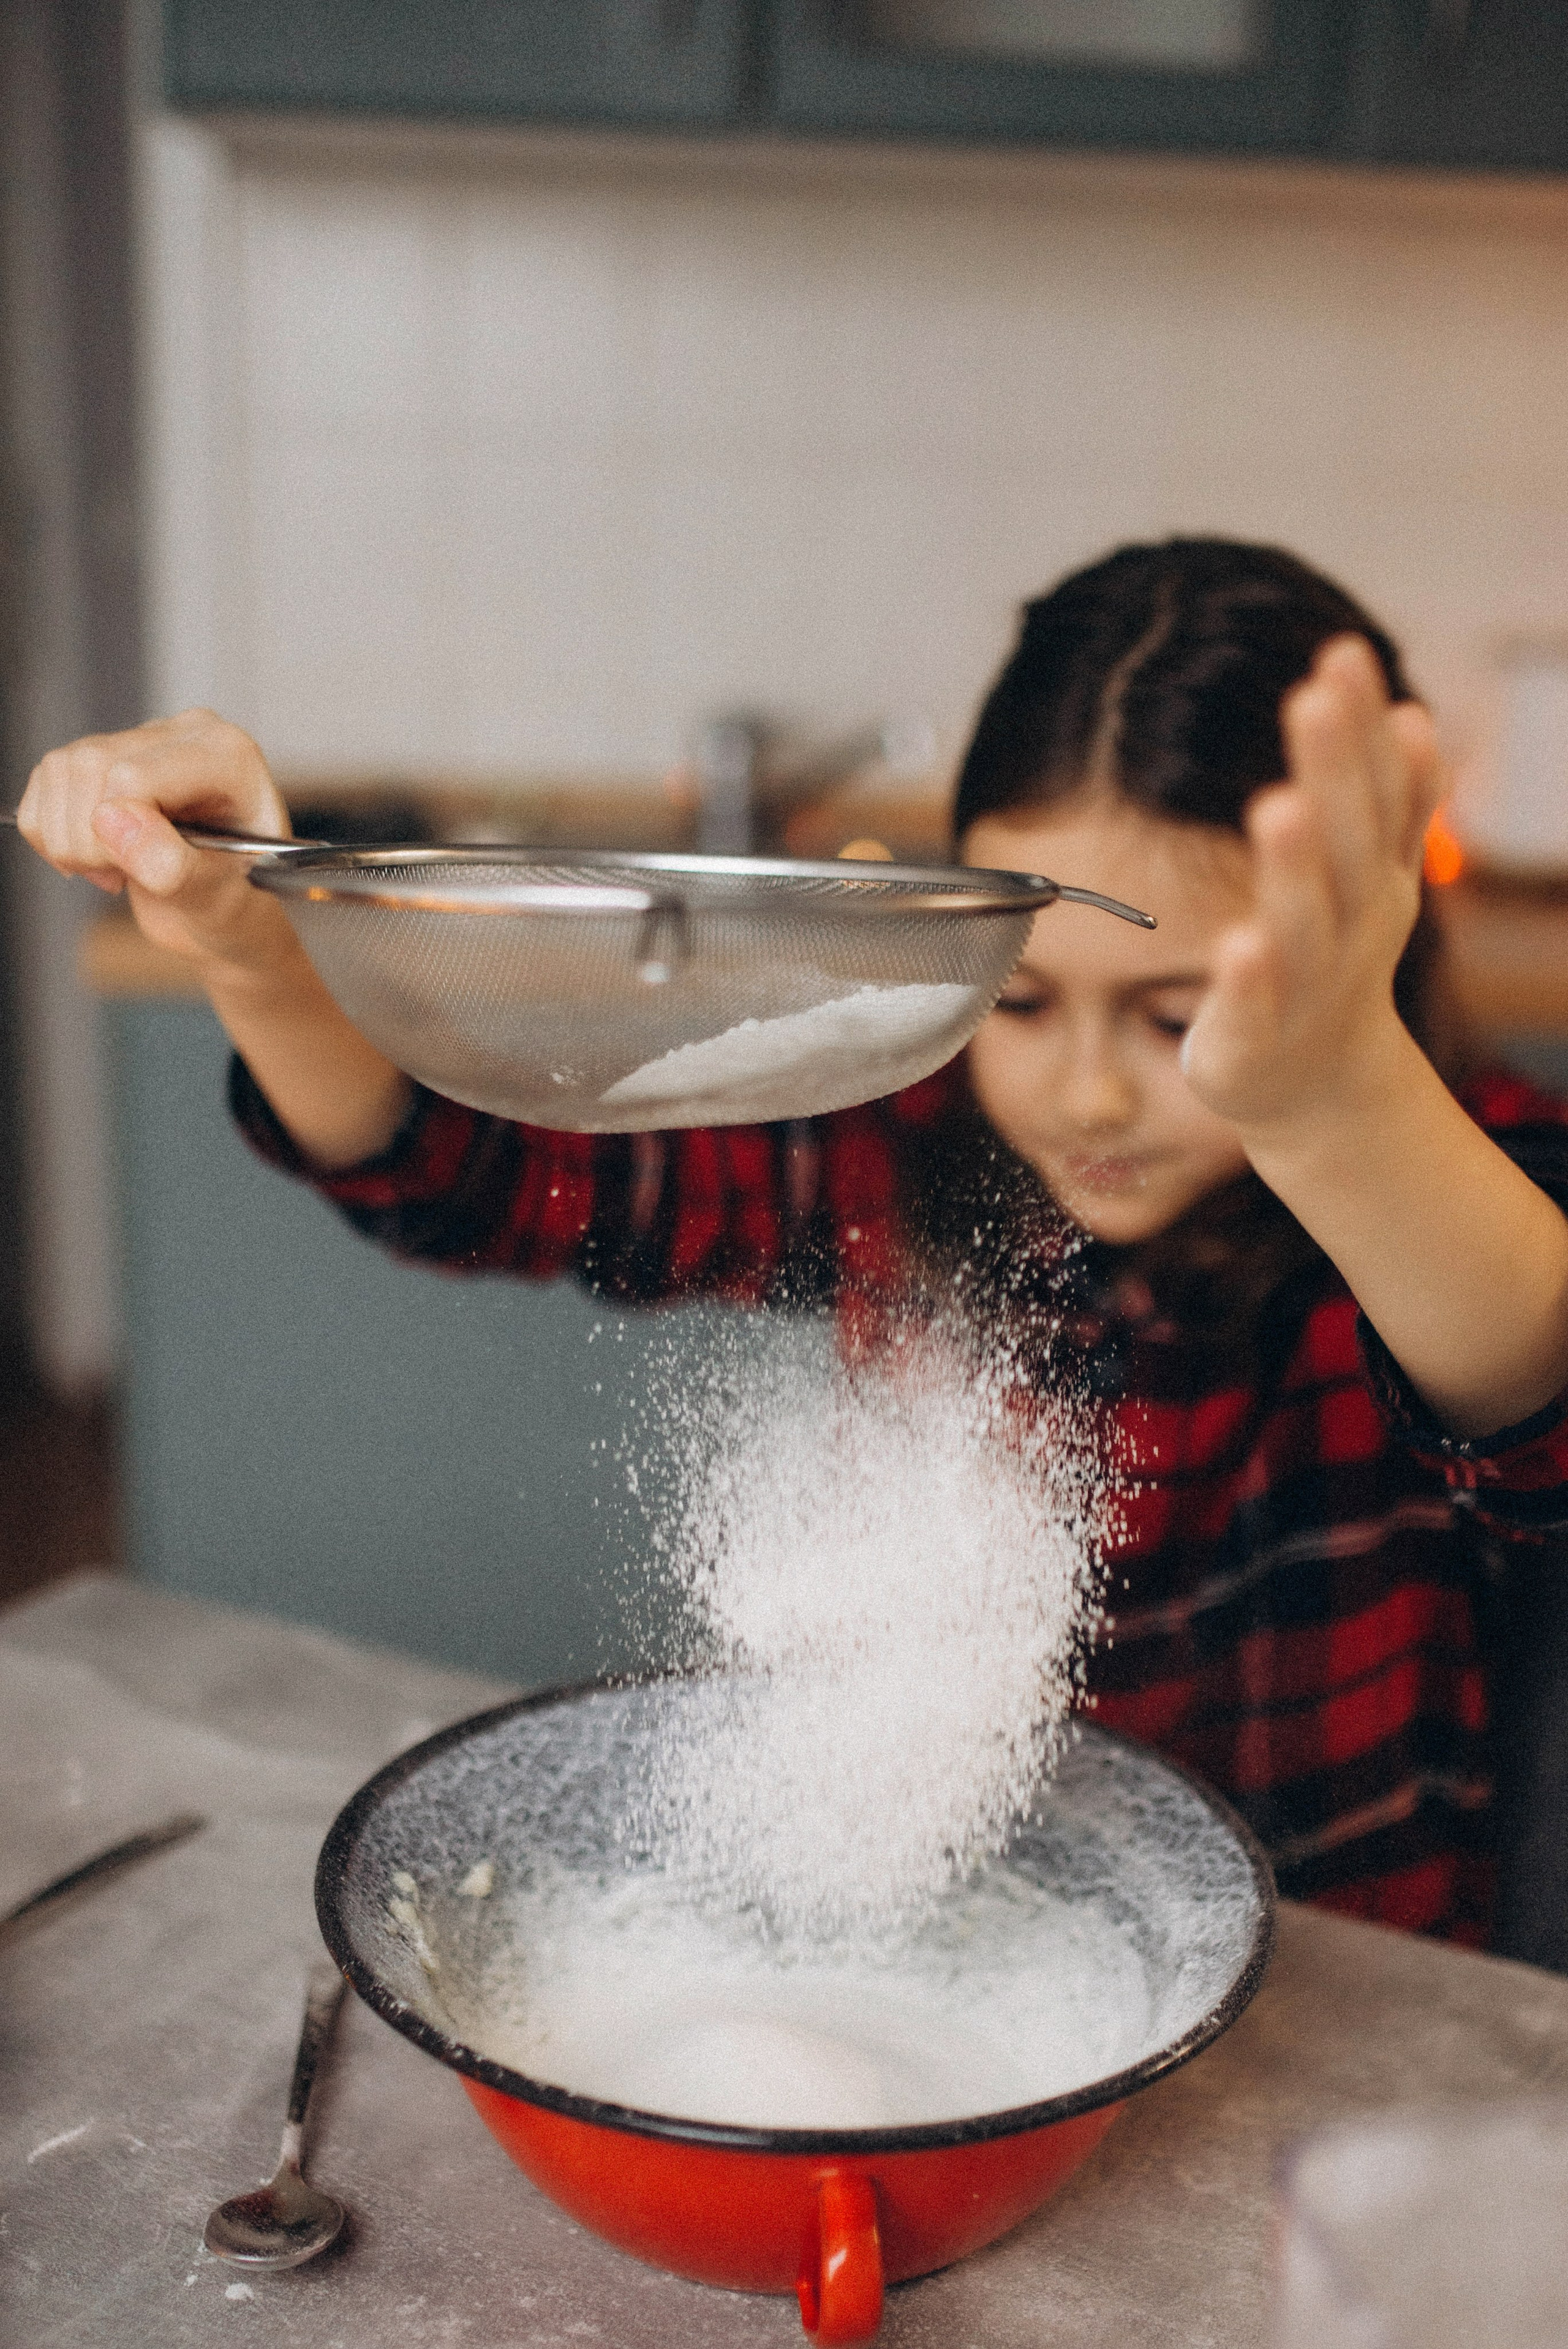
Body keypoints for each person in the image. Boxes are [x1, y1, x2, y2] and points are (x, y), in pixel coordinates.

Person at [24, 537, 1568, 1945]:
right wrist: (252, 947)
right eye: (1021, 998)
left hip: (1341, 1982)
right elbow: (472, 1175)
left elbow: (1533, 1398)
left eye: (1179, 1018)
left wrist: (1335, 1104)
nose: (1088, 1090)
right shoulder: (892, 1141)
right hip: (972, 1948)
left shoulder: (1443, 1182)